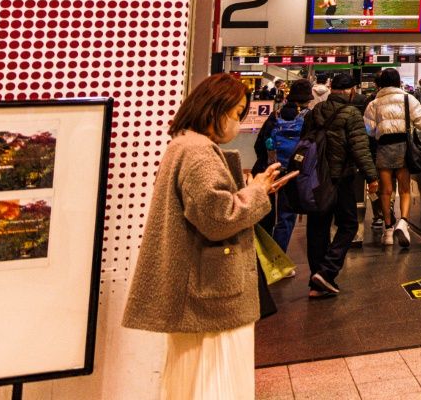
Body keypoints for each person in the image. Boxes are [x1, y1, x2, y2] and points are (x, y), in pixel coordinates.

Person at [123, 73, 295, 400]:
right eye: (235, 114)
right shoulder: (199, 152)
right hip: (213, 294)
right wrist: (257, 193)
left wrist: (251, 190)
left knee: (192, 379)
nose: (238, 123)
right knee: (215, 380)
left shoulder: (185, 146)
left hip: (202, 289)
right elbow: (217, 218)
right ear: (213, 109)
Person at [301, 73, 379, 298]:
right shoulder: (352, 113)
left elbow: (304, 140)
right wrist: (371, 177)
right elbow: (360, 148)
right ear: (351, 90)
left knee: (317, 228)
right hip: (340, 179)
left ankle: (317, 282)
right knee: (348, 224)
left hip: (316, 178)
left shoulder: (315, 111)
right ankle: (327, 271)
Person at [363, 67, 421, 248]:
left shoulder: (374, 104)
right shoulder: (408, 99)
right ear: (398, 82)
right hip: (404, 148)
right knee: (405, 190)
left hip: (383, 148)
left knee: (385, 191)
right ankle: (404, 223)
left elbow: (370, 130)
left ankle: (388, 230)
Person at [254, 78, 314, 250]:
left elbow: (259, 144)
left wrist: (267, 163)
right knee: (286, 216)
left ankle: (262, 256)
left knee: (266, 214)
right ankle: (278, 259)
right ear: (307, 99)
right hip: (293, 173)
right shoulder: (309, 117)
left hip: (271, 172)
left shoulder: (275, 115)